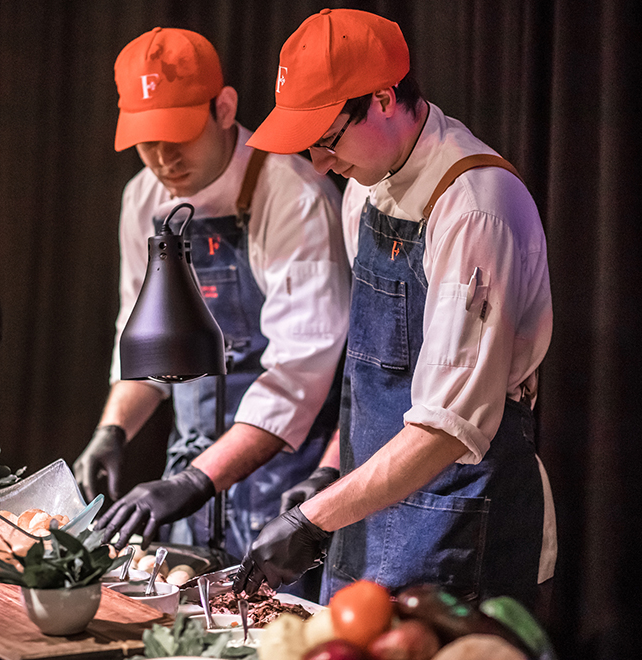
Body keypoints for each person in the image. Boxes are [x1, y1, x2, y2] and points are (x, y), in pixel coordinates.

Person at [231, 8, 556, 613]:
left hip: (454, 517)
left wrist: (312, 520)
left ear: (383, 97)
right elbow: (372, 378)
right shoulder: (364, 185)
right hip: (365, 504)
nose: (320, 165)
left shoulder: (473, 206)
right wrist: (329, 472)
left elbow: (445, 428)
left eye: (327, 140)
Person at [78, 27, 349, 577]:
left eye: (177, 134)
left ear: (224, 108)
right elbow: (144, 343)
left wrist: (195, 481)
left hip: (287, 477)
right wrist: (112, 432)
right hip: (187, 479)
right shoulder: (143, 200)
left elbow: (300, 374)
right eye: (145, 140)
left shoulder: (293, 196)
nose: (161, 158)